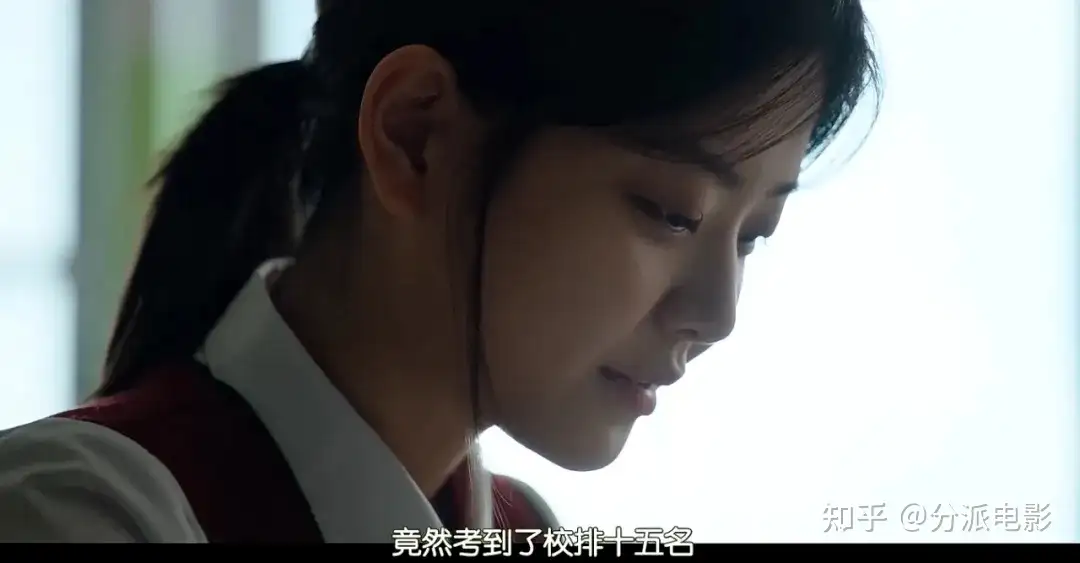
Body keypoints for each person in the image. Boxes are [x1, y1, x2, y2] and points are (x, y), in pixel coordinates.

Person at [0, 0, 879, 544]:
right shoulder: (84, 515)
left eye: (753, 235)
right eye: (671, 212)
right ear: (416, 137)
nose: (717, 313)